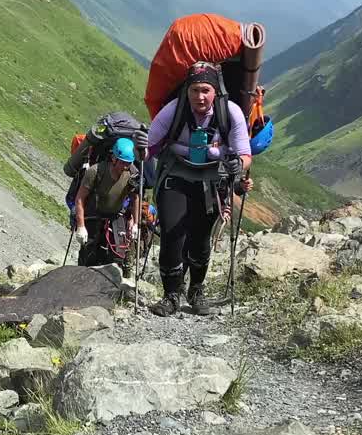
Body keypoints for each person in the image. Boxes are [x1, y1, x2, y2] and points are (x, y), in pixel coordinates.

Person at [146, 61, 251, 317]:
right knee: (172, 232)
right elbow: (149, 144)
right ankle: (171, 294)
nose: (200, 96)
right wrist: (140, 153)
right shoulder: (175, 110)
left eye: (205, 90)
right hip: (176, 174)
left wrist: (238, 164)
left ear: (215, 91)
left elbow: (246, 154)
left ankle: (196, 289)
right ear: (187, 91)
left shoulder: (231, 113)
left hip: (212, 180)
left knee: (201, 238)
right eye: (194, 90)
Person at [73, 137, 140, 267]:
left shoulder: (132, 174)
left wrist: (136, 223)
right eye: (122, 163)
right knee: (89, 256)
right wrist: (81, 226)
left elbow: (135, 198)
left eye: (128, 163)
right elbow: (80, 198)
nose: (125, 166)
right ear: (113, 158)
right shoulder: (95, 171)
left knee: (118, 258)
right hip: (94, 215)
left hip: (116, 216)